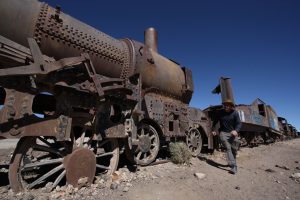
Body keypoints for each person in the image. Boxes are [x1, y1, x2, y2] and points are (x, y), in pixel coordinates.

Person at [212, 100, 242, 174]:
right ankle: (233, 167)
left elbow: (239, 123)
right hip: (223, 133)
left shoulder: (235, 113)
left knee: (234, 150)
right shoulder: (220, 113)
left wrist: (236, 130)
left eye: (228, 105)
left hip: (233, 133)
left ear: (231, 106)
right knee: (228, 148)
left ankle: (232, 163)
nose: (226, 106)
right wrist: (214, 130)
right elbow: (215, 122)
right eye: (225, 105)